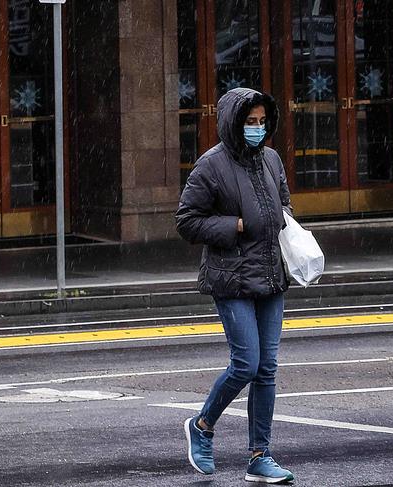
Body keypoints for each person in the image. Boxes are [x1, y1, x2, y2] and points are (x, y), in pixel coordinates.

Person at [175, 87, 294, 484]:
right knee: (247, 363)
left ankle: (260, 455)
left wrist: (286, 223)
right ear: (233, 122)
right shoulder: (211, 166)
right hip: (232, 278)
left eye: (262, 122)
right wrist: (234, 225)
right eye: (250, 122)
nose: (257, 129)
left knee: (267, 369)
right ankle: (202, 425)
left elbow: (285, 203)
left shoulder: (272, 159)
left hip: (271, 276)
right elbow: (187, 220)